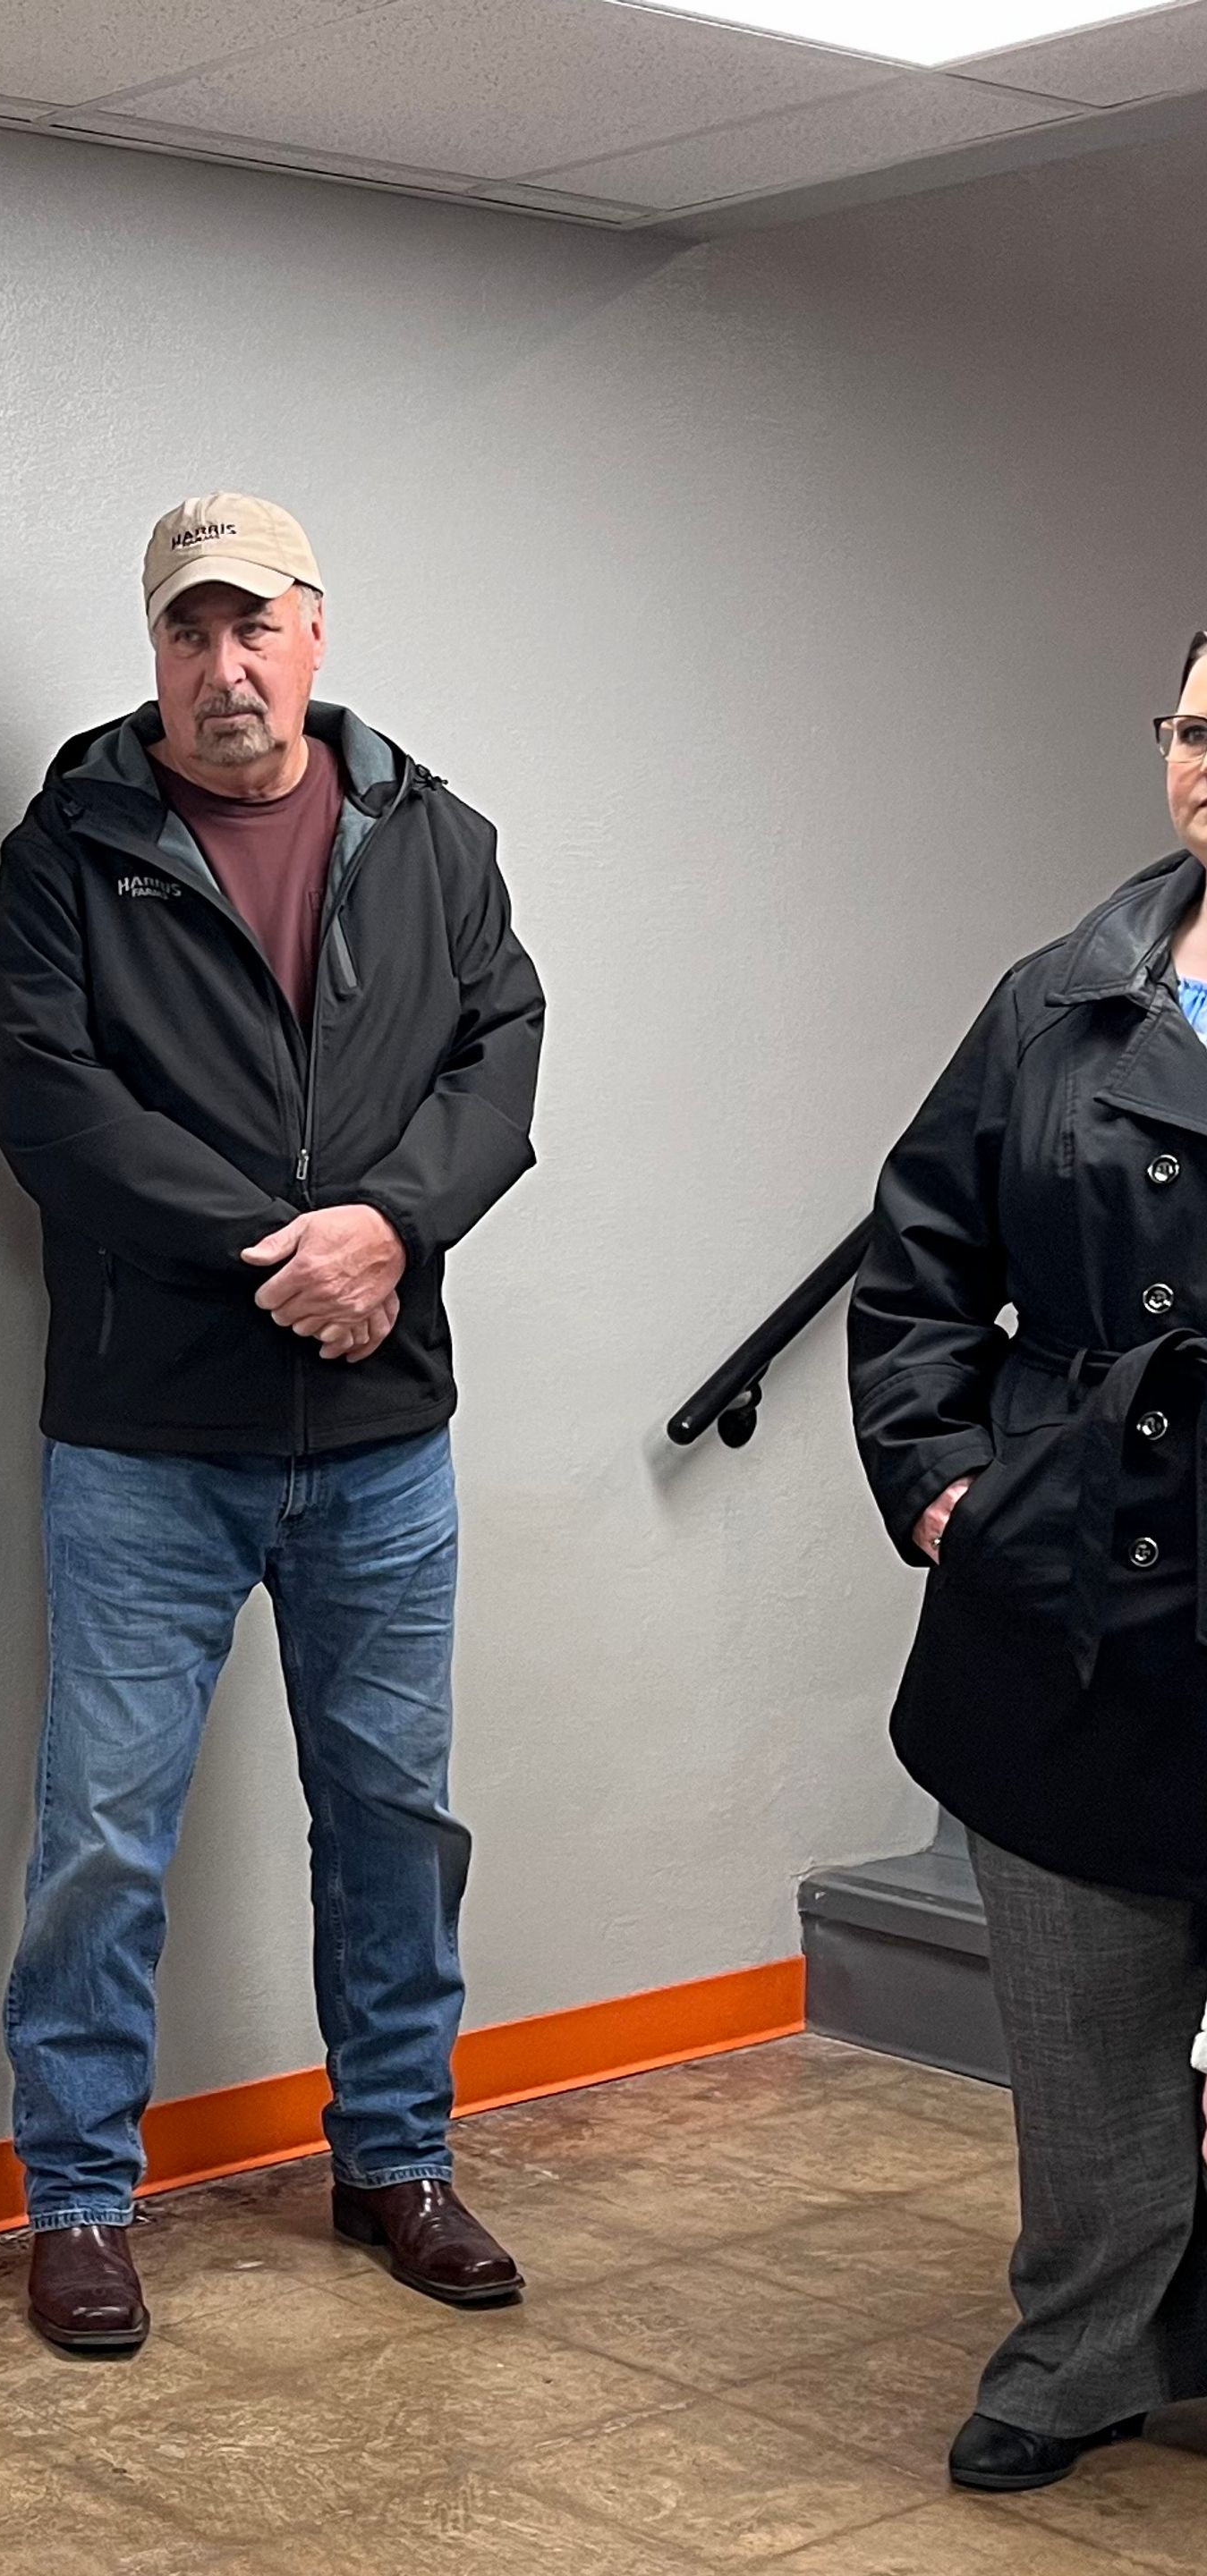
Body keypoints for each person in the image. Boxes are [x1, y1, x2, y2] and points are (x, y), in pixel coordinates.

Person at [0, 494, 546, 2358]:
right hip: (149, 1438)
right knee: (102, 1841)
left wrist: (393, 1229)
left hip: (383, 1432)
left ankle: (396, 2159)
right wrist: (281, 1253)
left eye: (258, 627)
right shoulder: (69, 851)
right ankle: (77, 2203)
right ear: (152, 653)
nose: (226, 667)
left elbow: (499, 1050)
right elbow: (52, 1110)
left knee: (392, 1818)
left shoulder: (434, 837)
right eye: (188, 631)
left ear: (316, 635)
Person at [849, 627, 1207, 2496]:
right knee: (1087, 2012)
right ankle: (1085, 2345)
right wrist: (940, 1484)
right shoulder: (1058, 999)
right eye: (1197, 728)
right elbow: (915, 1260)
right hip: (1081, 1567)